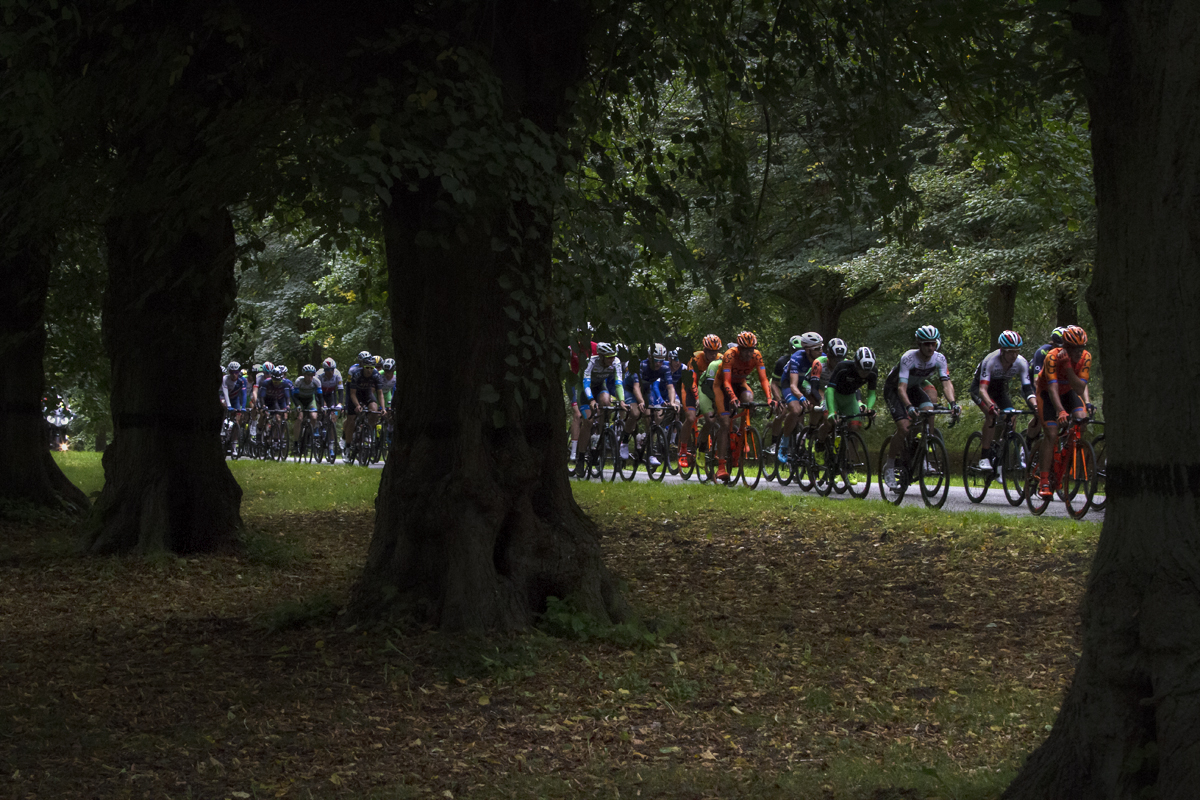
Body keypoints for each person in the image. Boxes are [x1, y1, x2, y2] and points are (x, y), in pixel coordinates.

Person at [882, 325, 960, 489]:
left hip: (914, 388)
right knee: (904, 428)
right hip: (895, 389)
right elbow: (901, 388)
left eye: (933, 344)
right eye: (926, 344)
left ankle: (923, 454)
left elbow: (946, 383)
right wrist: (909, 406)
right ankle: (889, 466)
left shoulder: (939, 359)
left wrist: (953, 403)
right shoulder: (909, 358)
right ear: (919, 344)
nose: (931, 347)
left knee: (929, 410)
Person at [1034, 325, 1092, 497]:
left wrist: (1068, 367)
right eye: (1074, 349)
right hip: (1047, 394)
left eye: (1081, 349)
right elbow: (1052, 389)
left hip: (1068, 392)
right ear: (1065, 347)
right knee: (1051, 434)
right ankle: (1043, 480)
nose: (1079, 353)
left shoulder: (1086, 358)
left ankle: (1067, 456)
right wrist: (1060, 411)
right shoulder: (1051, 357)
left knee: (1082, 421)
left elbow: (1080, 389)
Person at [713, 331, 777, 482]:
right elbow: (726, 382)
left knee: (749, 399)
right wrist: (733, 397)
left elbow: (764, 379)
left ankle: (742, 436)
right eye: (745, 350)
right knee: (725, 423)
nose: (749, 353)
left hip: (740, 383)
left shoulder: (757, 356)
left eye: (751, 350)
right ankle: (721, 466)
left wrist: (769, 398)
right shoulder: (730, 355)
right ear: (739, 349)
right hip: (722, 386)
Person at [968, 330, 1038, 470]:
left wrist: (1036, 406)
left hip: (999, 389)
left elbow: (1027, 389)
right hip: (981, 388)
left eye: (1016, 351)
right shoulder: (991, 360)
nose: (1014, 355)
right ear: (1002, 351)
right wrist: (991, 406)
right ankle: (985, 456)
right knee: (991, 415)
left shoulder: (1021, 362)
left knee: (1011, 416)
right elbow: (982, 390)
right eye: (1010, 351)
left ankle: (1000, 452)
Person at [678, 334, 723, 469]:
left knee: (713, 419)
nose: (712, 354)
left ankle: (702, 447)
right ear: (704, 350)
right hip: (690, 388)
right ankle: (683, 450)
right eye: (709, 351)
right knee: (691, 418)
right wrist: (697, 398)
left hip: (708, 389)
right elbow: (692, 382)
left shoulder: (721, 359)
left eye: (714, 351)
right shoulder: (696, 359)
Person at [578, 342, 626, 463]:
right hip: (586, 391)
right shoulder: (591, 362)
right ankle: (581, 457)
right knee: (588, 422)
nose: (612, 359)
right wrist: (591, 400)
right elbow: (586, 383)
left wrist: (621, 401)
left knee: (606, 401)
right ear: (601, 356)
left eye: (613, 356)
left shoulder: (616, 362)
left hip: (600, 387)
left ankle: (600, 436)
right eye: (609, 357)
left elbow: (618, 383)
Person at [818, 346, 878, 442]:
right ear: (856, 365)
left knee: (855, 428)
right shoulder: (843, 367)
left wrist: (869, 408)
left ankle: (850, 456)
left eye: (867, 371)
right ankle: (819, 442)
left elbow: (871, 393)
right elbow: (830, 389)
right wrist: (832, 411)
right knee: (829, 423)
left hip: (850, 399)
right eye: (862, 370)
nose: (865, 374)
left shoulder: (873, 372)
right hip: (834, 397)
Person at [343, 351, 383, 451]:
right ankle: (347, 446)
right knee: (351, 419)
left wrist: (383, 408)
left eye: (371, 368)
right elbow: (351, 392)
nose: (369, 370)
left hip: (367, 393)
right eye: (367, 368)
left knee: (374, 410)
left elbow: (380, 393)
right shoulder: (355, 373)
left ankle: (367, 431)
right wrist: (356, 405)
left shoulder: (376, 374)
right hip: (355, 394)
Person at [567, 338, 597, 463]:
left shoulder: (596, 348)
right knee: (578, 414)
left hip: (589, 382)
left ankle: (594, 446)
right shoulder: (572, 347)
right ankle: (573, 451)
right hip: (575, 383)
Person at [290, 364, 324, 450]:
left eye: (312, 375)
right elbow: (294, 396)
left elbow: (320, 396)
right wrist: (297, 406)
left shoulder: (316, 381)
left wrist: (322, 406)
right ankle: (296, 442)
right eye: (308, 375)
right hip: (300, 401)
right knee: (300, 418)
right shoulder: (299, 381)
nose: (310, 377)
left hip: (310, 400)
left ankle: (308, 436)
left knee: (313, 416)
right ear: (304, 375)